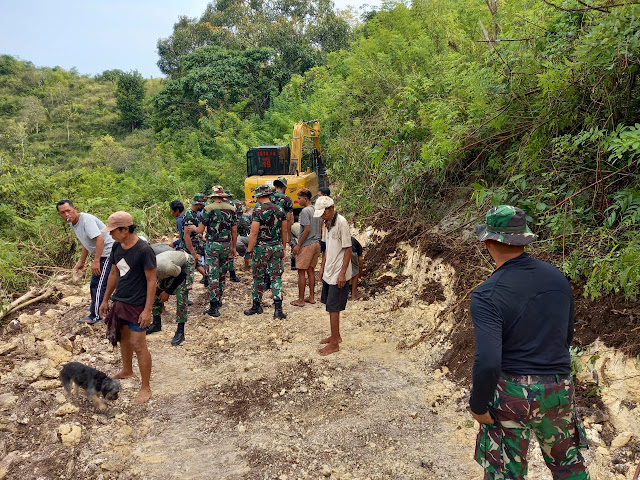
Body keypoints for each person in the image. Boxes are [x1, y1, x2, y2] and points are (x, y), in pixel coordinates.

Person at [469, 205, 590, 480]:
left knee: (504, 473)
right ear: (524, 239)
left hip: (512, 396)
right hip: (558, 389)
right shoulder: (558, 279)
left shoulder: (487, 294)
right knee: (568, 466)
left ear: (488, 241)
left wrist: (478, 406)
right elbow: (566, 335)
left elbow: (488, 361)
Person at [98, 211, 156, 405]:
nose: (110, 235)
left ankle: (145, 387)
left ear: (125, 229)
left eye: (113, 231)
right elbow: (114, 273)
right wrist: (106, 299)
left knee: (139, 344)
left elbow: (151, 281)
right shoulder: (117, 246)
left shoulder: (143, 250)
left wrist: (148, 310)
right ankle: (127, 370)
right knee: (123, 338)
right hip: (120, 301)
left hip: (138, 303)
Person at [56, 200, 114, 324]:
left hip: (108, 253)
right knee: (95, 283)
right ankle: (96, 306)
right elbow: (85, 242)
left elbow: (100, 240)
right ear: (59, 215)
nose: (66, 214)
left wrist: (96, 261)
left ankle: (96, 315)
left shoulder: (86, 220)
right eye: (63, 212)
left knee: (99, 284)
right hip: (101, 254)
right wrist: (82, 261)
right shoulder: (73, 223)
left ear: (74, 209)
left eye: (68, 210)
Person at [315, 196, 353, 356]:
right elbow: (326, 249)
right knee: (329, 304)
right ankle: (335, 336)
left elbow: (348, 249)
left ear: (331, 208)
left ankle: (334, 344)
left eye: (323, 213)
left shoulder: (342, 223)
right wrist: (322, 268)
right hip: (329, 270)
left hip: (339, 271)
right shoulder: (326, 223)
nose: (322, 216)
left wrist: (343, 273)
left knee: (333, 307)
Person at [244, 184, 288, 319]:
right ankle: (278, 309)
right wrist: (284, 247)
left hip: (261, 249)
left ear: (259, 196)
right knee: (276, 277)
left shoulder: (257, 211)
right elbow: (284, 230)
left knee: (258, 277)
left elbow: (253, 233)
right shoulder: (280, 209)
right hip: (276, 247)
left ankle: (256, 306)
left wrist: (249, 250)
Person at [197, 186, 238, 317]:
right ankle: (219, 299)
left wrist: (201, 237)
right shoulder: (232, 209)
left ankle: (214, 306)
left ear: (213, 196)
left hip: (212, 244)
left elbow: (200, 229)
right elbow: (234, 231)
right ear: (223, 196)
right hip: (226, 244)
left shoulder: (208, 209)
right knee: (222, 273)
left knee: (213, 274)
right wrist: (234, 247)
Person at [147, 250, 193, 346]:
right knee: (155, 292)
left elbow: (181, 275)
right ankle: (156, 324)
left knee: (181, 295)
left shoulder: (165, 268)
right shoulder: (146, 270)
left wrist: (167, 292)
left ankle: (180, 331)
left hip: (185, 265)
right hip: (171, 268)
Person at [291, 188, 321, 307]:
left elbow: (306, 229)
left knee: (301, 272)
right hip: (316, 243)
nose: (298, 201)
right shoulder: (316, 209)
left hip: (307, 244)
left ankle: (301, 299)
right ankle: (311, 297)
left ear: (305, 198)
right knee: (311, 271)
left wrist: (298, 245)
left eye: (299, 198)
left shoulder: (304, 211)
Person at [182, 193, 208, 288]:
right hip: (190, 246)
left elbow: (196, 231)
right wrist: (193, 253)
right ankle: (185, 294)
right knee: (190, 270)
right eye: (202, 205)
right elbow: (186, 236)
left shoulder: (195, 213)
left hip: (197, 242)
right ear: (198, 204)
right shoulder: (189, 216)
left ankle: (206, 277)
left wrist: (202, 238)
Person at [271, 176, 294, 268]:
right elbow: (288, 218)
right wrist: (288, 233)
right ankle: (291, 263)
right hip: (281, 226)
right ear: (284, 187)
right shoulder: (287, 199)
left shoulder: (269, 197)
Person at [224, 190, 243, 282]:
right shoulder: (238, 203)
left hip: (223, 231)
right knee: (231, 251)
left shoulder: (221, 205)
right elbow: (240, 216)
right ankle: (232, 275)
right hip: (234, 227)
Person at [350, 236, 364, 300]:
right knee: (355, 270)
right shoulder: (359, 247)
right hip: (351, 251)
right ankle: (354, 294)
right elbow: (360, 263)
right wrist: (359, 276)